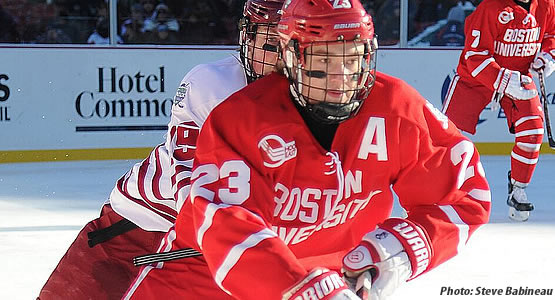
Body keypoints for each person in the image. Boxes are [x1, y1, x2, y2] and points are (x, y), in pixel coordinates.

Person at [123, 0, 491, 299]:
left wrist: (397, 251)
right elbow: (224, 222)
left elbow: (463, 193)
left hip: (328, 276)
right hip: (205, 272)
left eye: (352, 58)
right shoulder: (240, 118)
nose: (342, 77)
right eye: (324, 61)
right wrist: (295, 285)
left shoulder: (396, 109)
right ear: (291, 57)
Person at [37, 1, 283, 299]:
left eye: (290, 46)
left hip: (216, 249)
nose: (280, 59)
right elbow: (188, 178)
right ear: (247, 37)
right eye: (270, 44)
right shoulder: (214, 84)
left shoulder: (313, 99)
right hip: (136, 232)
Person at [442, 0, 555, 221]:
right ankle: (437, 187)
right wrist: (502, 80)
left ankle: (518, 188)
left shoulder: (547, 4)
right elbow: (474, 56)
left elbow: (552, 35)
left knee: (532, 131)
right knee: (445, 136)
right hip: (475, 79)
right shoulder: (491, 7)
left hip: (520, 75)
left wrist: (547, 57)